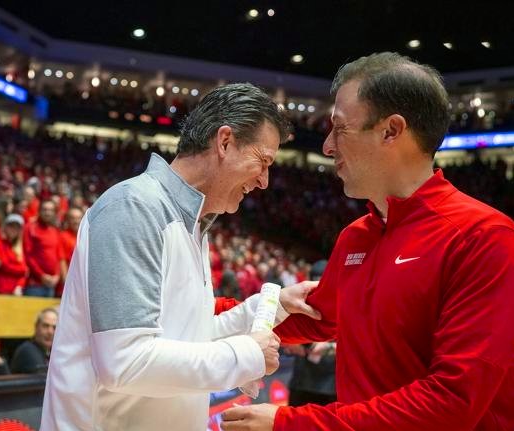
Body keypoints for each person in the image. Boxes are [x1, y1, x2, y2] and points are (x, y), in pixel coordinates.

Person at [220, 52, 514, 430]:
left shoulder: (485, 238)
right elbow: (307, 319)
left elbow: (452, 403)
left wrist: (292, 423)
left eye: (339, 128)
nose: (327, 146)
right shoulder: (356, 236)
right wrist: (191, 309)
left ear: (391, 131)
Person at [41, 83, 321, 431]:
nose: (264, 181)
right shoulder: (134, 208)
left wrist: (269, 307)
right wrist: (246, 354)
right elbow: (125, 362)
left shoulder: (192, 226)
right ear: (225, 142)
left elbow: (188, 340)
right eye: (262, 162)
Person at [285, 260, 336, 407]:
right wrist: (291, 344)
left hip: (330, 385)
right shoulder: (301, 301)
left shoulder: (348, 301)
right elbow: (285, 339)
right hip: (302, 381)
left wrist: (330, 348)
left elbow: (356, 344)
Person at [23, 199, 65, 297]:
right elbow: (28, 256)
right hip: (34, 284)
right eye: (45, 210)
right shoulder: (30, 228)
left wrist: (57, 276)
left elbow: (58, 257)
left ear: (55, 213)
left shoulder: (55, 231)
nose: (47, 213)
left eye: (50, 210)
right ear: (39, 211)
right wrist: (41, 275)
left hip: (51, 284)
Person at [0, 213, 28, 295]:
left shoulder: (22, 247)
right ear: (5, 227)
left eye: (17, 227)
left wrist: (19, 286)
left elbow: (24, 272)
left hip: (15, 292)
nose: (14, 229)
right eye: (11, 226)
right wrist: (20, 269)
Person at [10, 308, 58, 374]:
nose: (50, 332)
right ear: (36, 327)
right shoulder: (27, 350)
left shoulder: (51, 352)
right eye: (45, 326)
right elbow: (43, 379)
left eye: (54, 327)